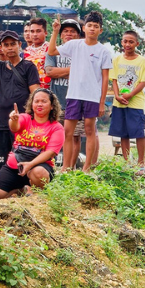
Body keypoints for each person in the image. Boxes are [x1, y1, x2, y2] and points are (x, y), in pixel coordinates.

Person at [47, 13, 113, 172]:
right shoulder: (75, 45)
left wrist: (102, 102)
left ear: (100, 30)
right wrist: (55, 31)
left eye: (96, 26)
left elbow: (105, 78)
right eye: (90, 25)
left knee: (90, 131)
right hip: (74, 95)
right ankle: (66, 168)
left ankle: (87, 168)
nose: (92, 29)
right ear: (84, 28)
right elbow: (52, 51)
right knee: (68, 132)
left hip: (92, 96)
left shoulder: (104, 51)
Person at [0, 30, 40, 173]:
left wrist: (33, 118)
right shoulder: (0, 66)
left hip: (23, 122)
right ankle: (3, 185)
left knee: (23, 157)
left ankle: (24, 186)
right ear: (1, 48)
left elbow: (36, 94)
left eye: (13, 44)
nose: (10, 47)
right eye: (6, 45)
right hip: (2, 122)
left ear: (19, 45)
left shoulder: (29, 67)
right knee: (1, 160)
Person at [0, 90, 64, 198]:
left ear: (52, 106)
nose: (40, 104)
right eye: (36, 101)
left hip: (39, 166)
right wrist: (13, 119)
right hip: (16, 165)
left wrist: (30, 164)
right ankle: (19, 190)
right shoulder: (25, 117)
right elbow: (14, 127)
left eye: (44, 101)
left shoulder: (57, 127)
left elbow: (50, 152)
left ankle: (36, 193)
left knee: (38, 173)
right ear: (32, 104)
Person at [110, 29, 145, 166]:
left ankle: (141, 163)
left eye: (131, 42)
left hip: (135, 103)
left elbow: (143, 81)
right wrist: (116, 95)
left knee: (138, 132)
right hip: (119, 103)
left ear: (137, 43)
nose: (128, 44)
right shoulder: (116, 59)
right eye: (125, 41)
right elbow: (114, 80)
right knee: (123, 133)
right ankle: (127, 162)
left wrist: (131, 94)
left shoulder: (142, 61)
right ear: (122, 42)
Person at [45, 19, 81, 162]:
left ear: (78, 35)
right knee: (53, 135)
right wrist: (75, 70)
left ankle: (70, 168)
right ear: (60, 35)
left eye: (72, 31)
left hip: (76, 100)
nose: (69, 34)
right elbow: (50, 72)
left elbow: (85, 73)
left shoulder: (82, 52)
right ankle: (51, 166)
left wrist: (59, 71)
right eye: (65, 31)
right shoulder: (53, 51)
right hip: (56, 101)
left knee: (75, 136)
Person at [22, 16, 52, 92]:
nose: (35, 34)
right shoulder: (26, 52)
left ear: (45, 33)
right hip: (30, 93)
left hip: (48, 91)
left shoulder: (51, 49)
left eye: (38, 31)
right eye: (32, 31)